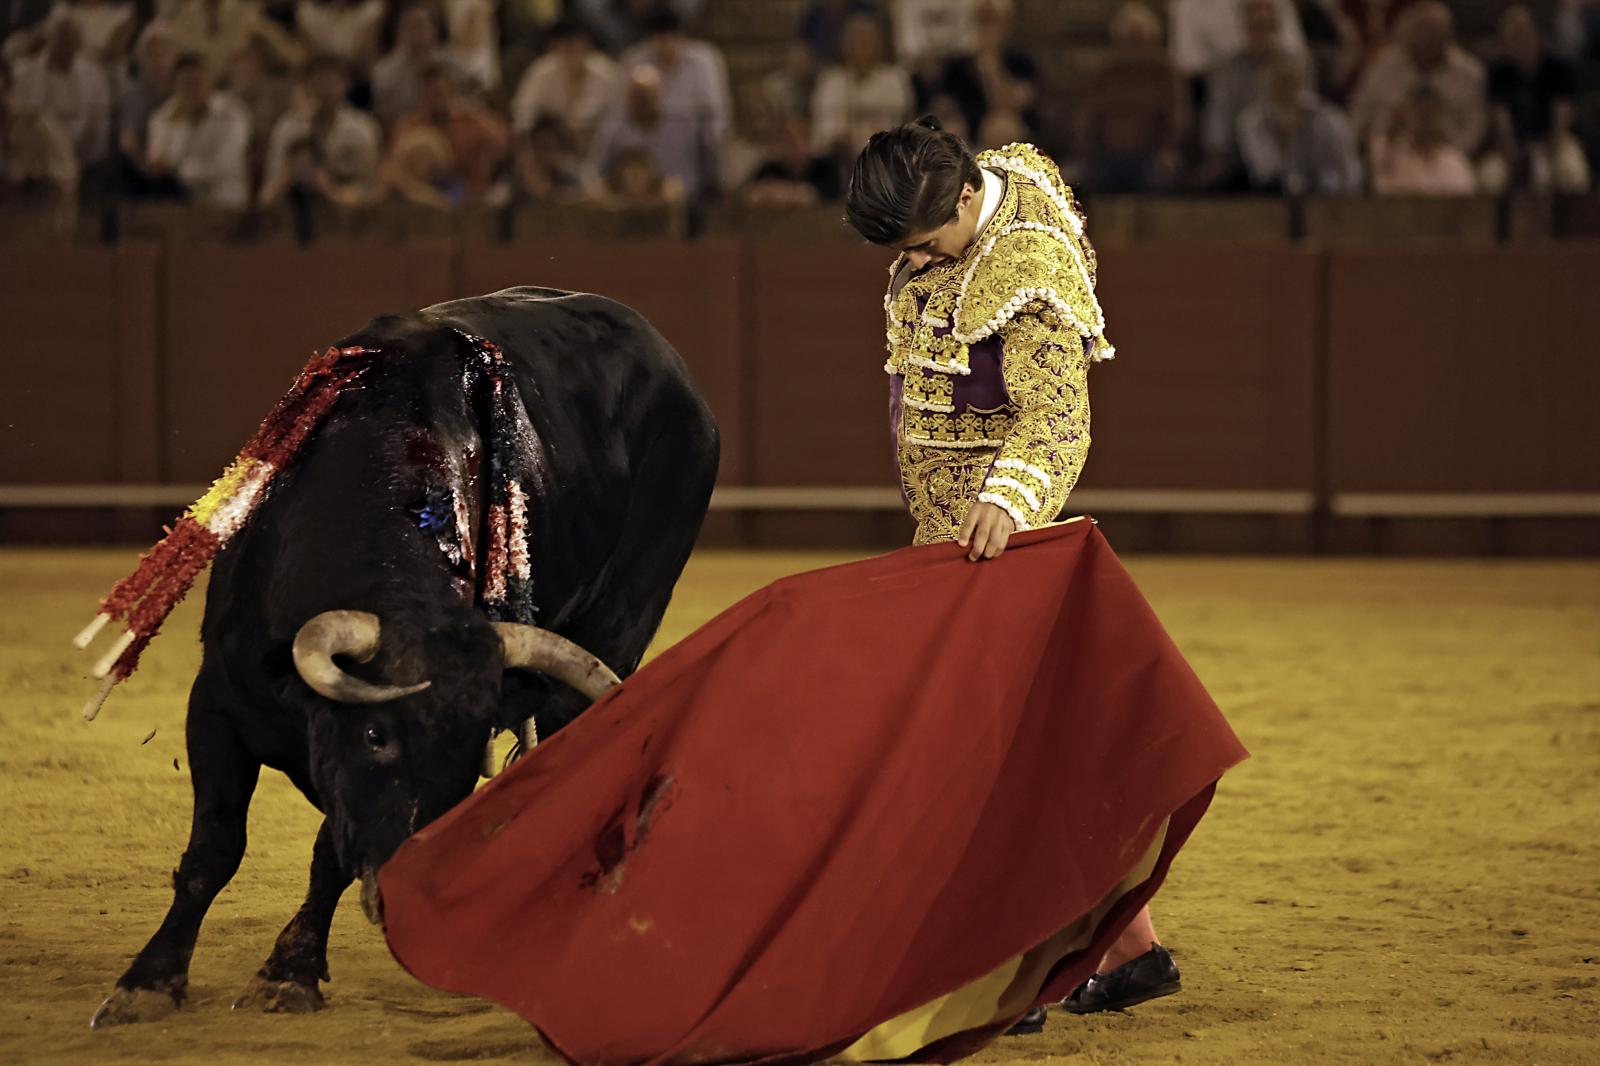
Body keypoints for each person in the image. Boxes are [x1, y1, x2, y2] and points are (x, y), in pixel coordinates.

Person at [1349, 1, 1484, 160]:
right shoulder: (1383, 66)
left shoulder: (1468, 74)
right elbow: (1359, 111)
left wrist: (1450, 157)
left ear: (1447, 40)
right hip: (1385, 154)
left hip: (1447, 156)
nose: (1425, 43)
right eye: (1419, 38)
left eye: (1432, 38)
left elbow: (1475, 127)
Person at [1481, 4, 1589, 195]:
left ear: (1537, 34)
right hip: (1512, 145)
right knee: (1489, 179)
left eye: (1523, 33)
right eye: (1512, 36)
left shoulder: (1558, 68)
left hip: (1555, 140)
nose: (1518, 41)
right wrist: (1512, 151)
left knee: (1572, 173)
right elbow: (1501, 120)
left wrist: (1546, 152)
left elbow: (1562, 119)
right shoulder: (1499, 73)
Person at [1078, 1, 1183, 194]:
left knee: (1162, 176)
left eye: (1140, 40)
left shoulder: (1165, 74)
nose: (1135, 48)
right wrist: (1091, 156)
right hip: (1108, 157)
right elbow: (1088, 118)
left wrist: (1165, 152)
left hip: (1151, 158)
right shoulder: (1103, 74)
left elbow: (1176, 119)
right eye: (1129, 40)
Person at [258, 52, 381, 209]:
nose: (325, 90)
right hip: (296, 210)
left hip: (351, 211)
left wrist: (331, 191)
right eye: (319, 81)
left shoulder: (361, 129)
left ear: (345, 84)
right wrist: (291, 170)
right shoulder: (288, 128)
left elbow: (370, 188)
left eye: (332, 81)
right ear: (306, 86)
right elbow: (268, 195)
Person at [1236, 47, 1362, 194]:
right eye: (1277, 79)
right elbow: (1265, 173)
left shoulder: (1331, 120)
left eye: (1288, 79)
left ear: (1301, 78)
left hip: (1330, 199)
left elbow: (1349, 174)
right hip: (1273, 200)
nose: (1283, 85)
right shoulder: (1252, 122)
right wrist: (1283, 136)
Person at [386, 59, 508, 206]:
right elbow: (393, 169)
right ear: (421, 94)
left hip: (469, 202)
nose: (435, 99)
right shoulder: (408, 127)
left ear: (451, 90)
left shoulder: (473, 122)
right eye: (429, 93)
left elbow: (503, 145)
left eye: (439, 92)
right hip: (420, 202)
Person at [144, 50, 253, 207]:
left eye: (198, 81)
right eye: (186, 82)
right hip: (175, 205)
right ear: (175, 84)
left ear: (210, 80)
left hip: (224, 202)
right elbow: (157, 164)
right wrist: (183, 124)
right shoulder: (162, 117)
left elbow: (222, 165)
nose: (193, 88)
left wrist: (176, 169)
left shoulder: (232, 114)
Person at [809, 11, 912, 166]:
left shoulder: (895, 79)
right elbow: (823, 129)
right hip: (838, 161)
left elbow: (902, 124)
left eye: (868, 38)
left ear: (879, 43)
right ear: (844, 43)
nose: (861, 44)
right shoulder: (830, 81)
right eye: (855, 38)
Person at [509, 17, 616, 154]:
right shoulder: (541, 72)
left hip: (597, 147)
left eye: (578, 46)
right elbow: (523, 116)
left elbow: (616, 118)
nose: (573, 52)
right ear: (554, 47)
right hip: (551, 150)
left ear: (588, 46)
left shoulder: (607, 74)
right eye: (567, 46)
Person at [1369, 82, 1475, 195]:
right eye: (1417, 110)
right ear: (1403, 112)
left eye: (1429, 113)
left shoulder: (1453, 161)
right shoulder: (1385, 148)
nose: (1424, 120)